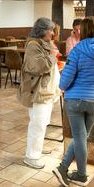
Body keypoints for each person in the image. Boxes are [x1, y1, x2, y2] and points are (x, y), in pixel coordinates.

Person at [53, 16, 94, 187]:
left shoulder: (77, 50)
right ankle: (64, 168)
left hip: (75, 99)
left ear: (84, 31)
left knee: (80, 138)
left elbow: (65, 81)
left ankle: (81, 174)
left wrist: (62, 85)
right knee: (81, 137)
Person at [17, 18, 61, 169]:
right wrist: (53, 55)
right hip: (38, 93)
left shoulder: (44, 43)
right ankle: (32, 156)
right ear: (42, 30)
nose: (53, 33)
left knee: (43, 123)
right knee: (38, 124)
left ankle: (37, 148)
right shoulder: (32, 46)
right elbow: (40, 67)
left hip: (46, 92)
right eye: (50, 30)